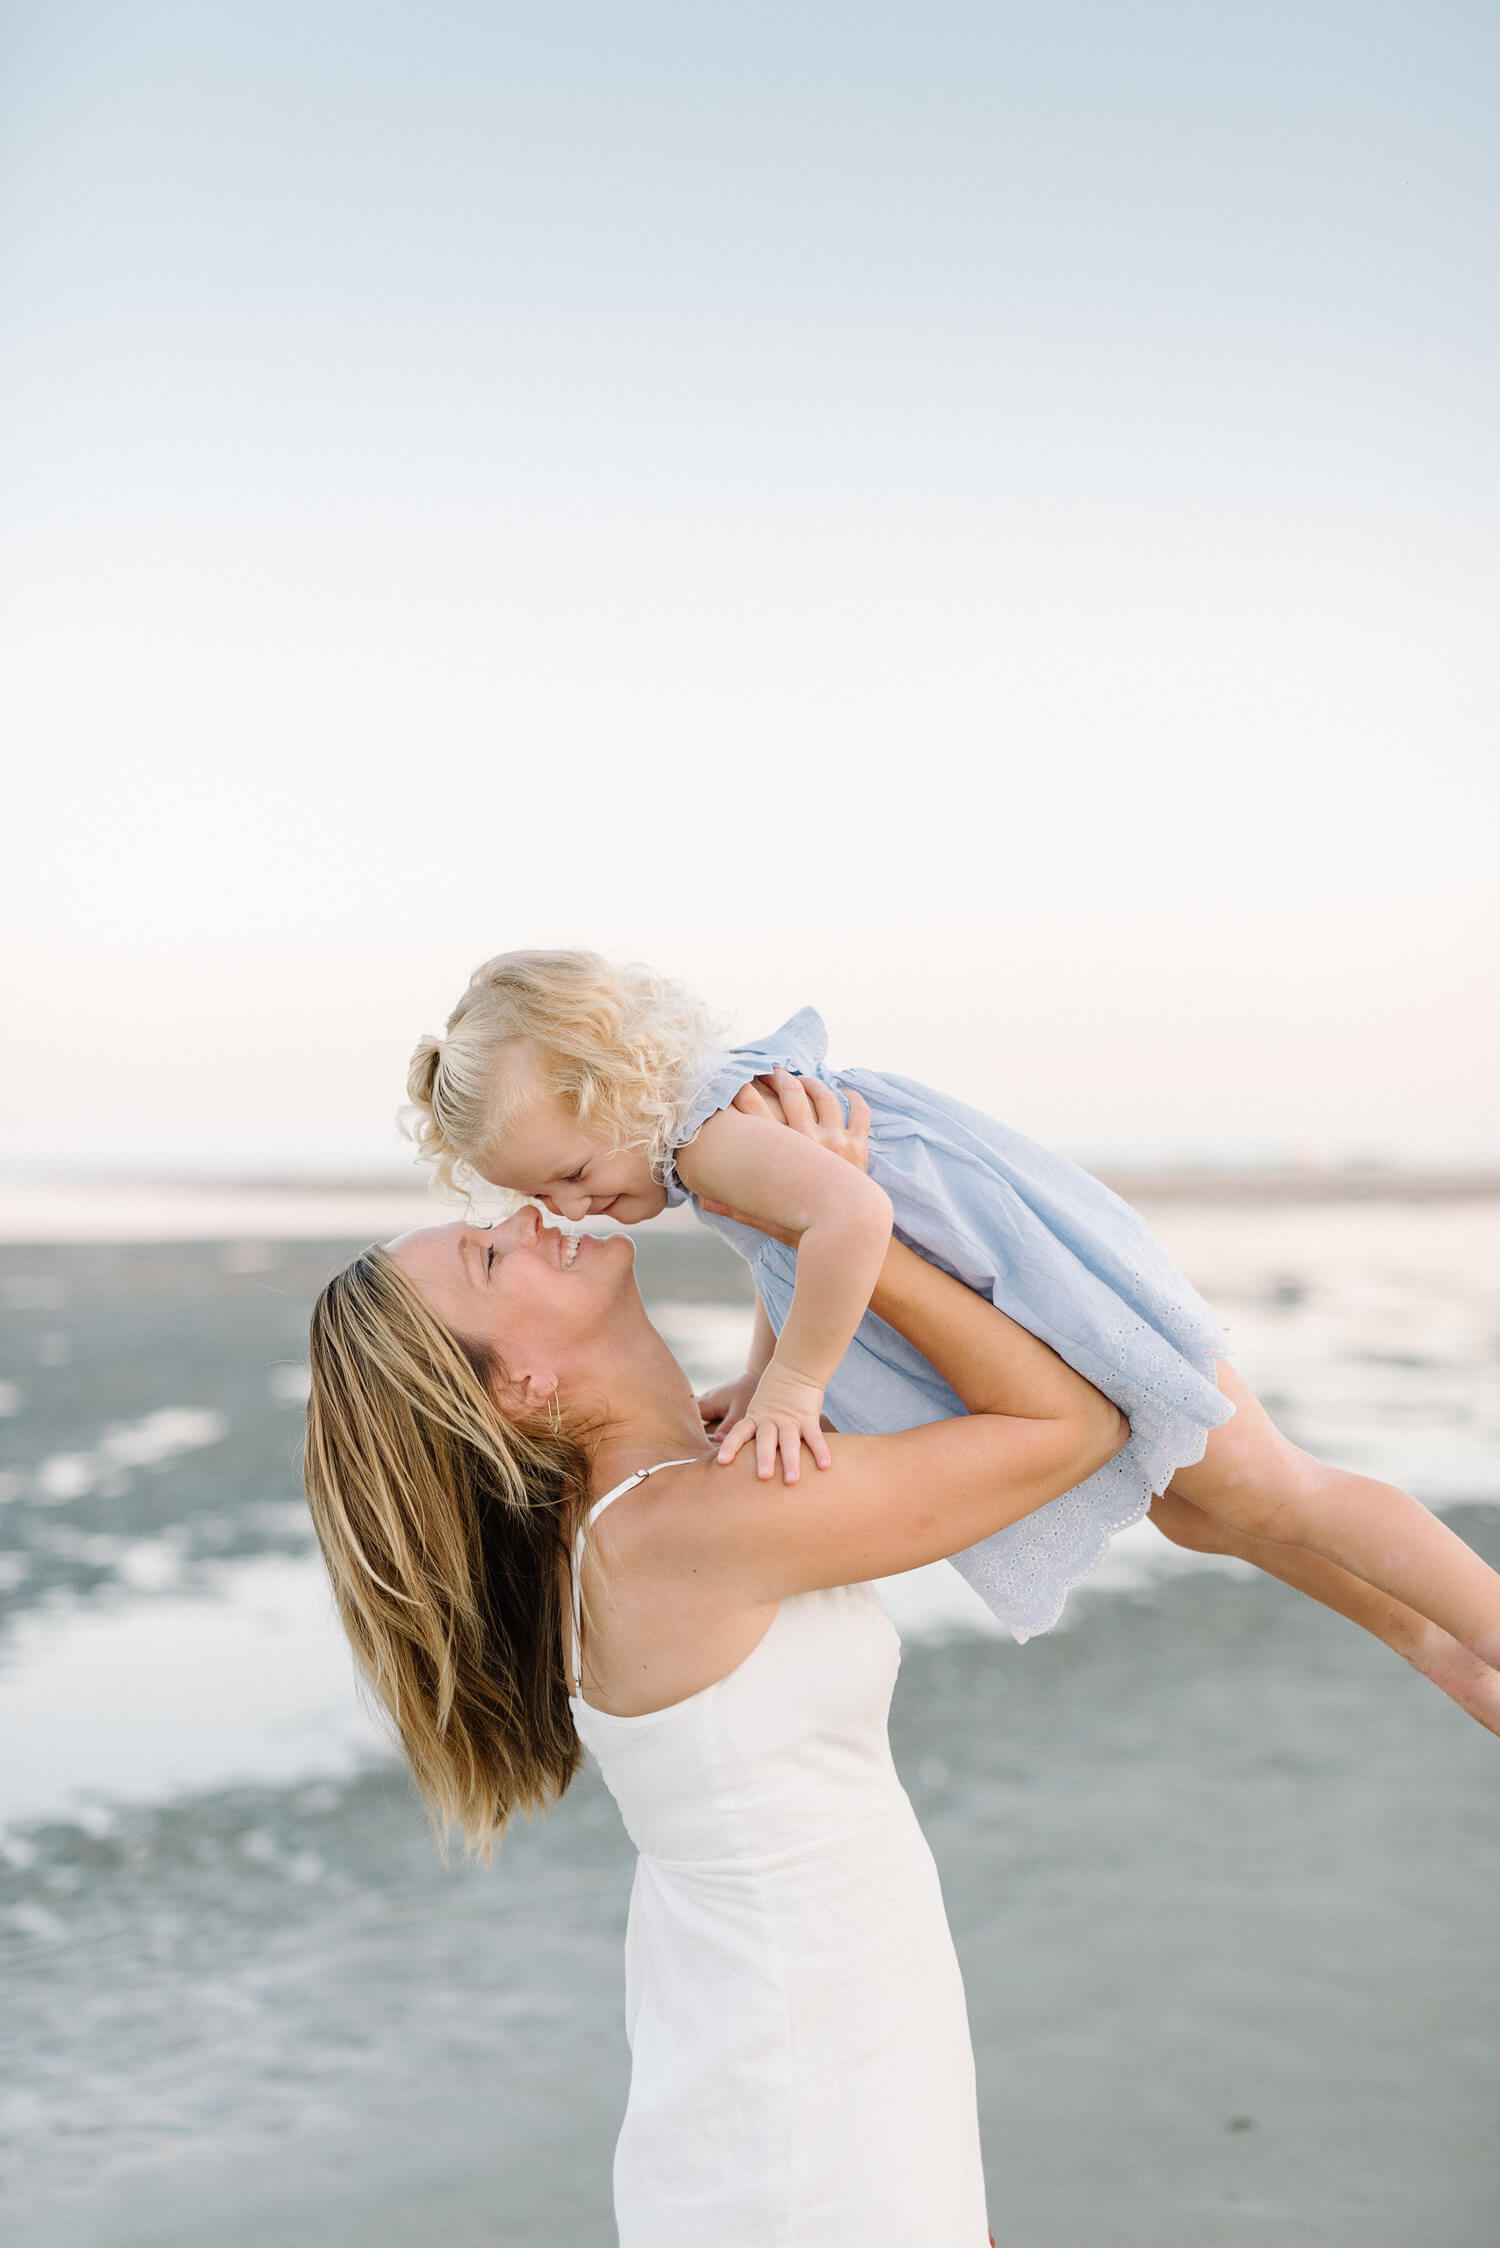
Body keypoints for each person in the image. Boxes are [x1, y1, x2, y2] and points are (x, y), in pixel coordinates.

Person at [304, 1179, 1129, 2244]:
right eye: (490, 1259)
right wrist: (838, 1223)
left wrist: (802, 1228)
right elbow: (1073, 1423)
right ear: (519, 1384)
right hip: (800, 2084)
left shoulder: (652, 1501)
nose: (522, 1219)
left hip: (809, 2040)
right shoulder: (677, 1528)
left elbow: (789, 1401)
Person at [402, 947, 1500, 1734]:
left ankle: (1471, 1633)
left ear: (614, 1092)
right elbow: (790, 1251)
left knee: (1283, 1489)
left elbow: (851, 1220)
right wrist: (759, 1366)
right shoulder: (708, 1137)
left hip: (1052, 1287)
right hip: (1024, 1279)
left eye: (574, 1175)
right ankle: (1436, 1642)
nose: (579, 1209)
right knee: (1205, 1507)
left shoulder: (710, 1148)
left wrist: (793, 1387)